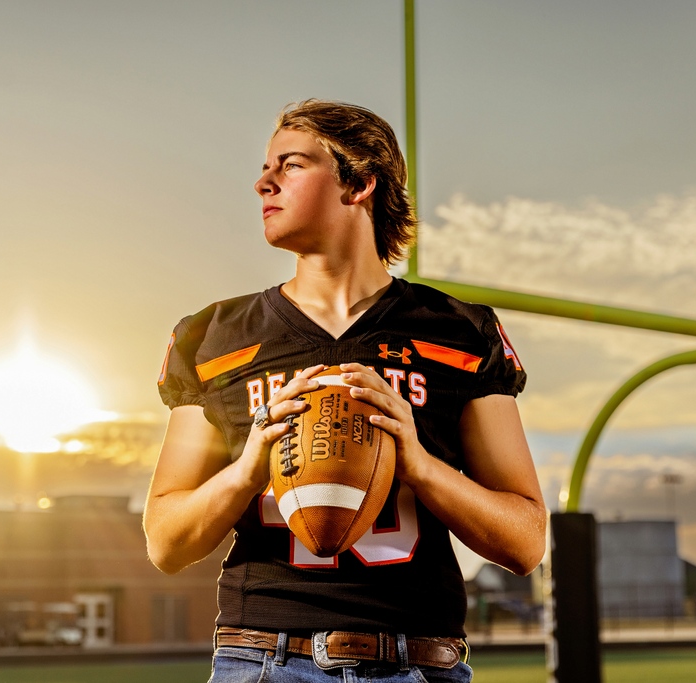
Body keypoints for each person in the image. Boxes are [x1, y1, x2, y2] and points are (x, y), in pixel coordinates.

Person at [144, 99, 545, 682]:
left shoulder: (456, 331)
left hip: (418, 662)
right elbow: (166, 544)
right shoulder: (214, 336)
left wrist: (421, 465)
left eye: (291, 165)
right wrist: (249, 467)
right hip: (265, 660)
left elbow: (526, 543)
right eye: (266, 166)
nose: (263, 182)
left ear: (358, 183)